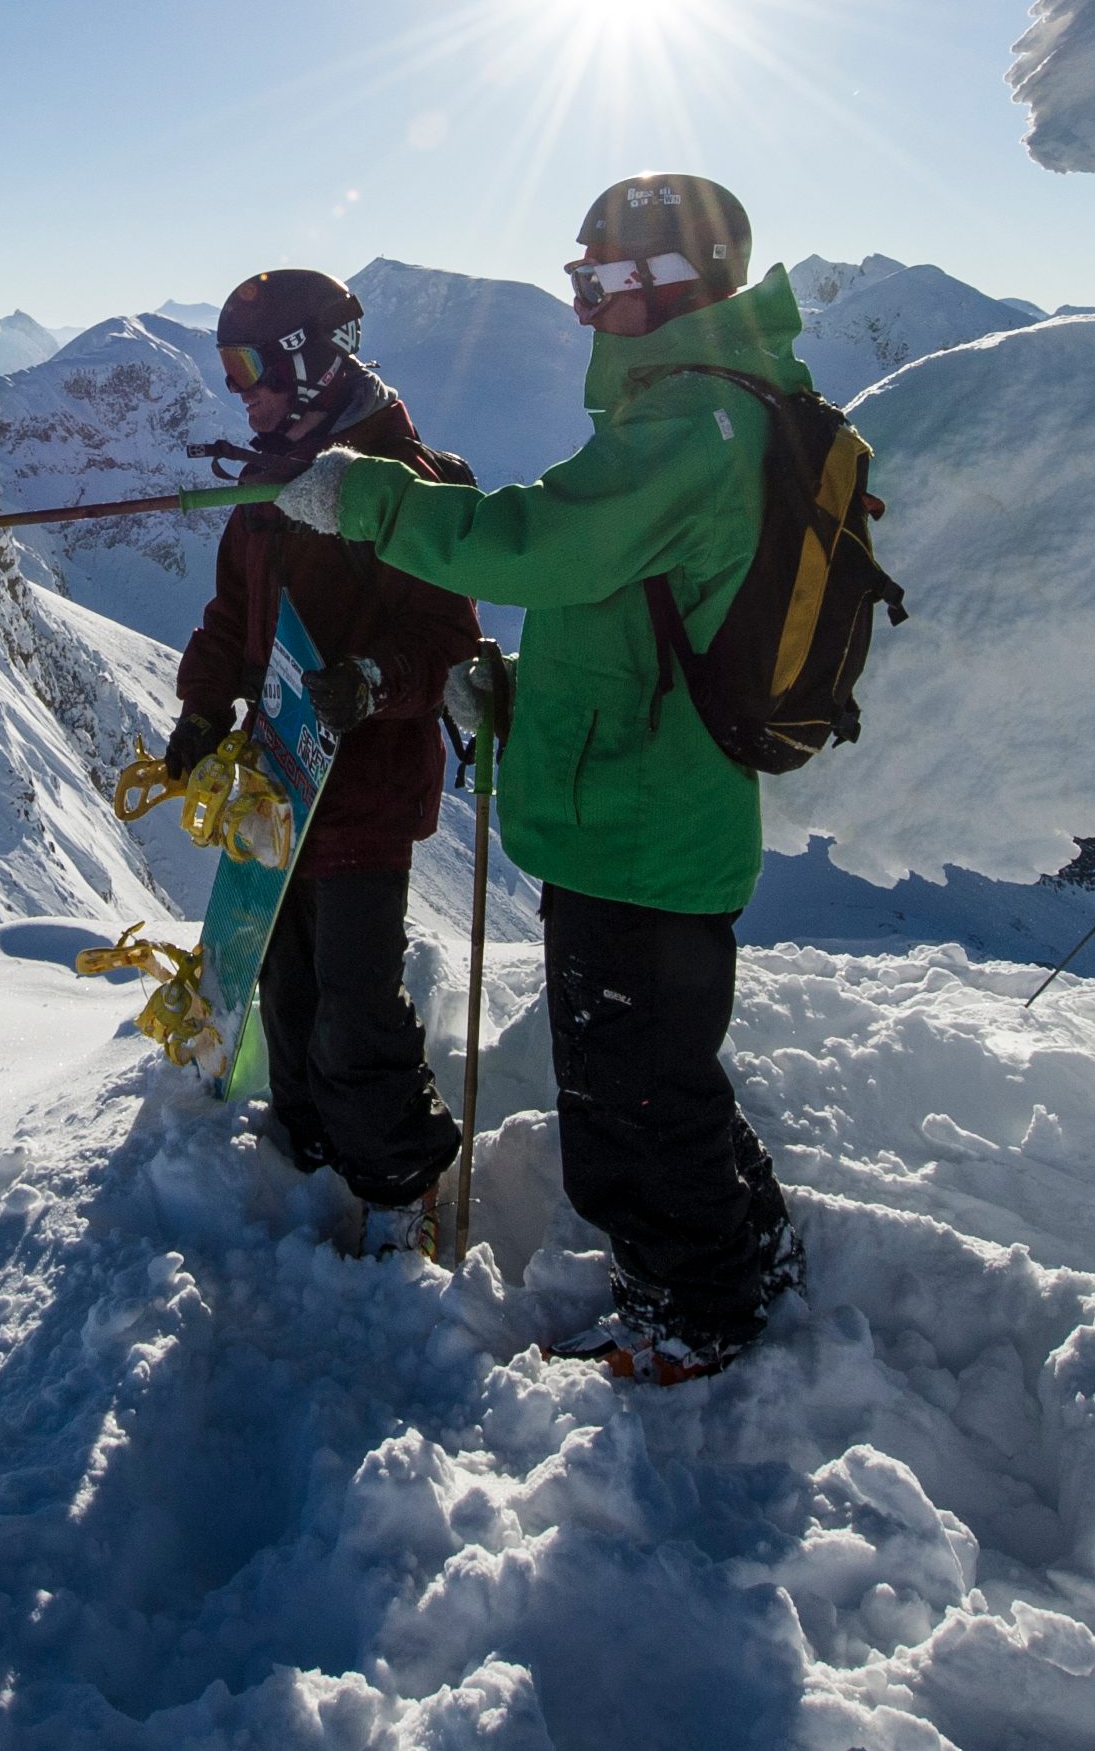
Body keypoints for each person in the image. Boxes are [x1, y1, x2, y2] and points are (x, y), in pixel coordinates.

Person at [273, 174, 805, 1379]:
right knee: (656, 1072)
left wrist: (367, 499)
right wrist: (512, 688)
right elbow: (625, 606)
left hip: (639, 822)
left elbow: (542, 545)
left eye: (602, 280)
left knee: (631, 1099)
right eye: (575, 282)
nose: (582, 307)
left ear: (683, 282)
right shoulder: (688, 412)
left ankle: (695, 1316)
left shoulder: (688, 428)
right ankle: (745, 1254)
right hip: (633, 794)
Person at [172, 268, 483, 1254]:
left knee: (354, 1004)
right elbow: (234, 612)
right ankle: (308, 1157)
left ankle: (398, 1191)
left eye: (248, 365)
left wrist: (371, 682)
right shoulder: (273, 479)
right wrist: (200, 704)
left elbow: (447, 644)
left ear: (305, 358)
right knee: (289, 989)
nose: (237, 389)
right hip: (280, 779)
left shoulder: (401, 482)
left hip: (361, 793)